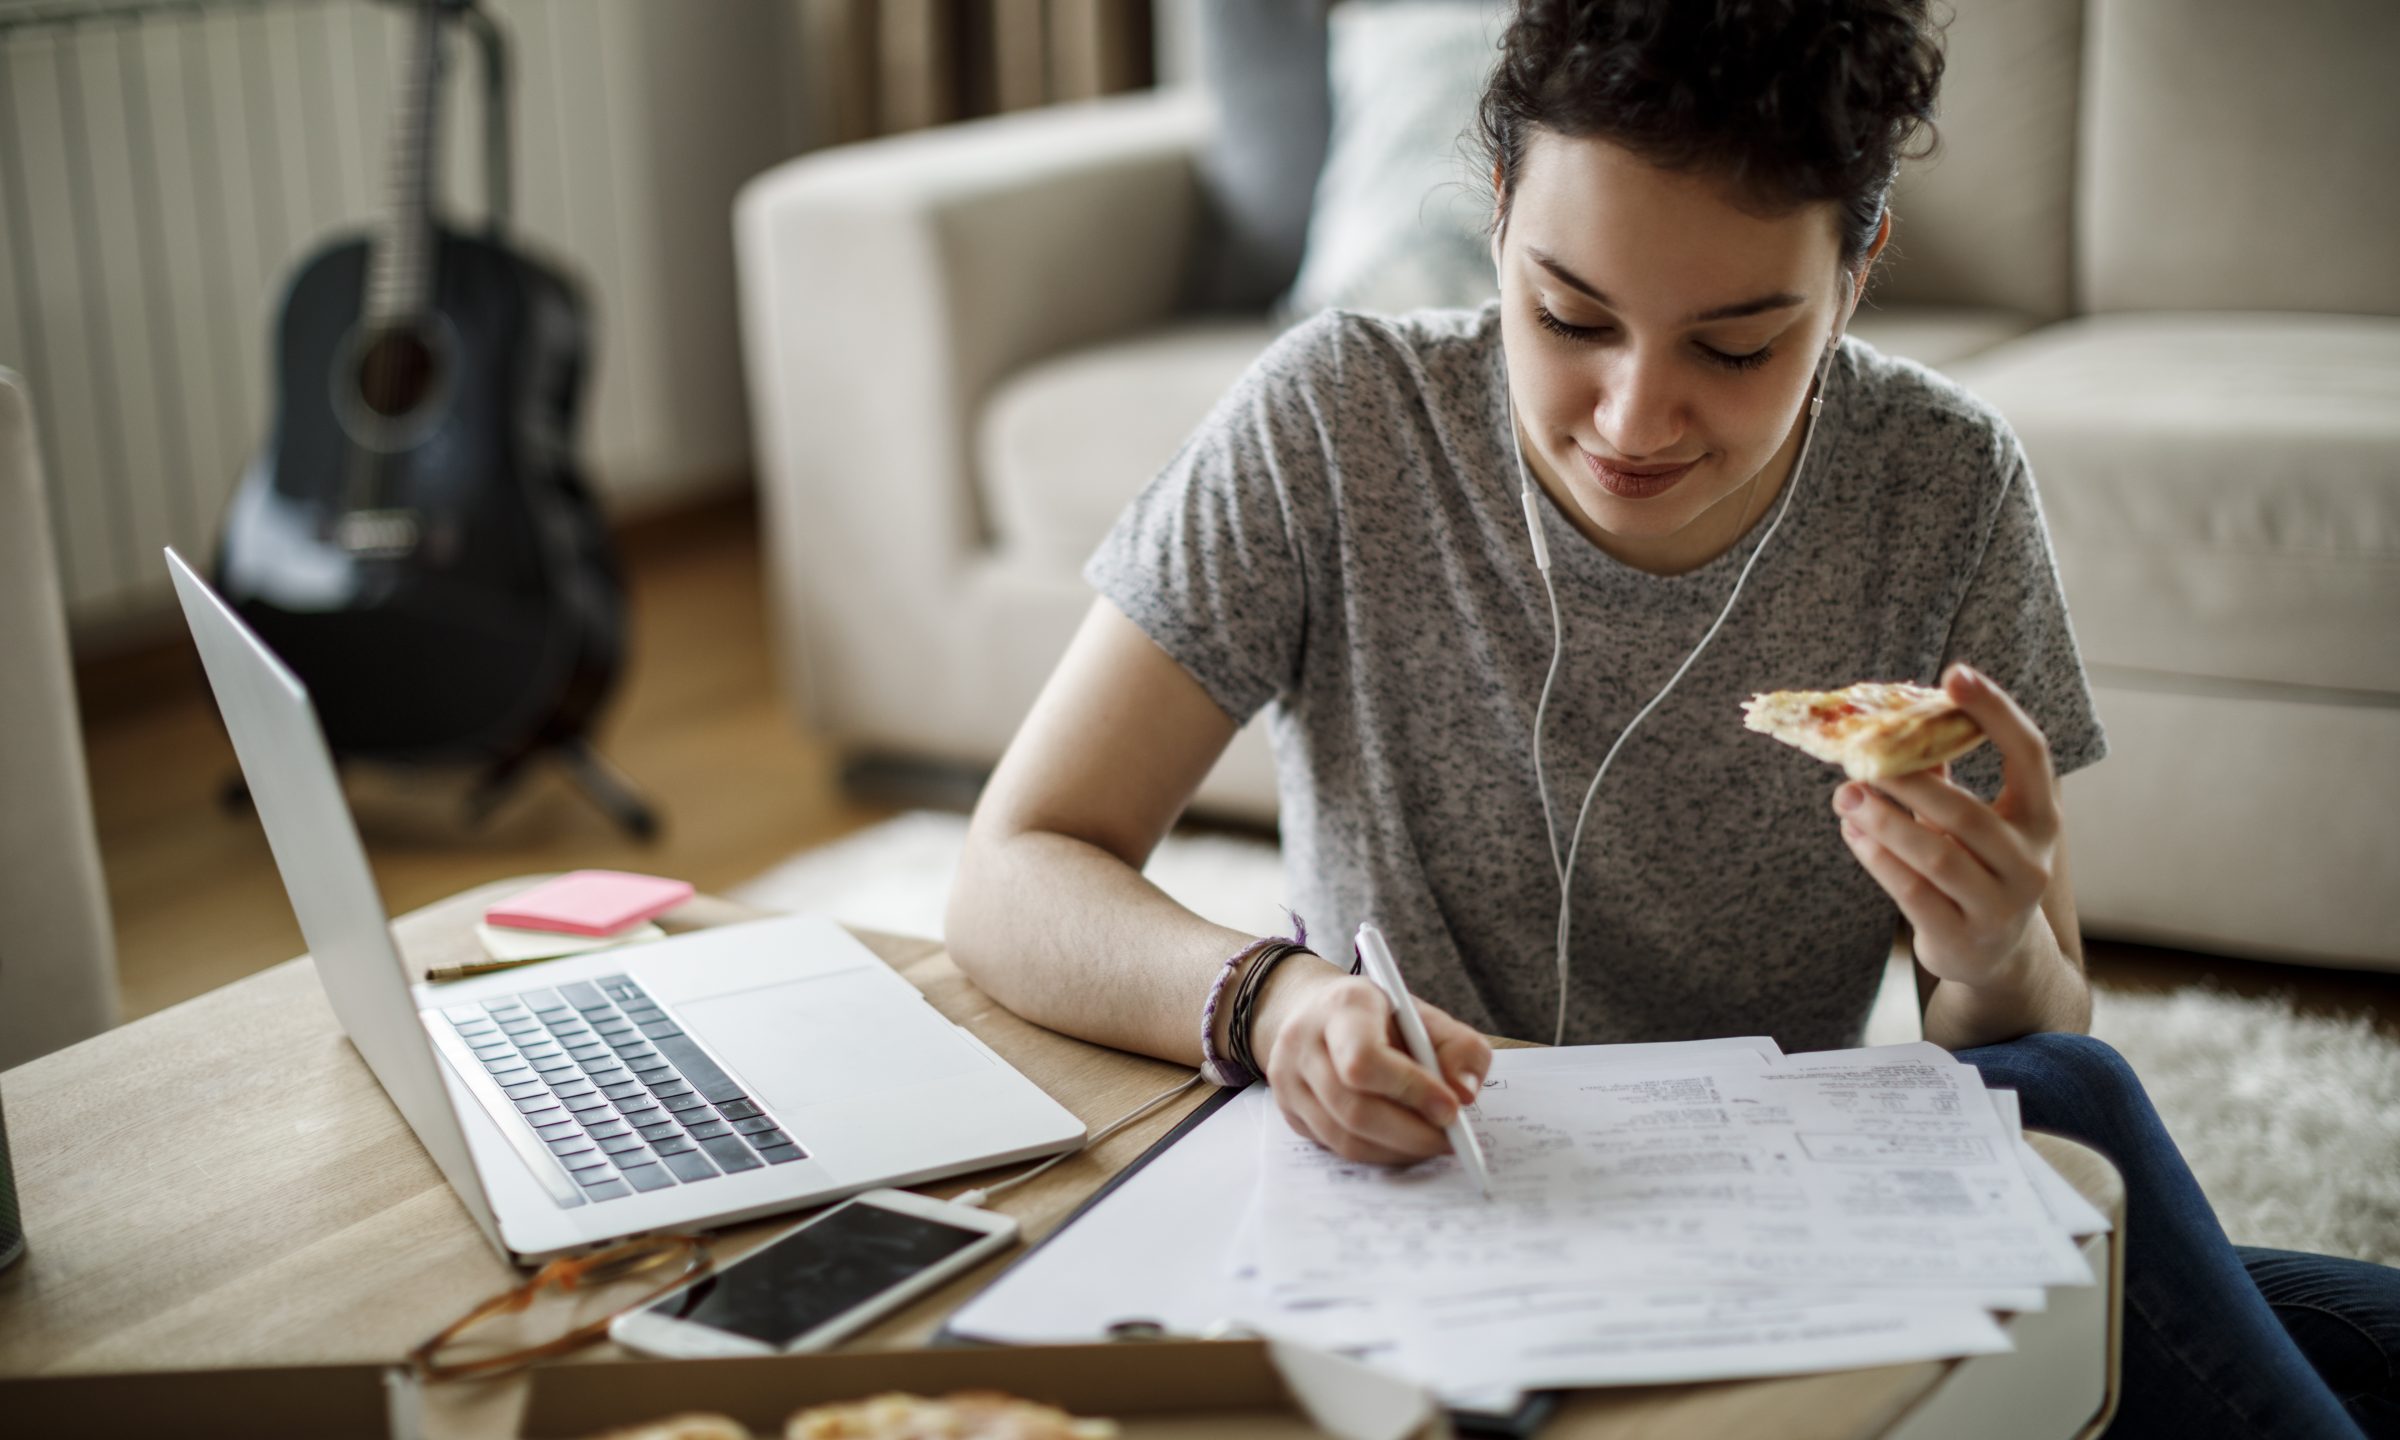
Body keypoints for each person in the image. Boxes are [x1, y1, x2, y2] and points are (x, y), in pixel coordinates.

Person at [944, 2, 2399, 1434]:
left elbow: (2033, 1034)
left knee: (2082, 1098)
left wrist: (1994, 948)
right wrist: (1275, 1005)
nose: (1633, 422)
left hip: (1782, 1224)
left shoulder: (1940, 488)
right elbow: (1015, 869)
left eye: (1736, 347)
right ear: (1501, 211)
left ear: (1856, 270)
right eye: (1569, 316)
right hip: (1436, 1192)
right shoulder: (1337, 422)